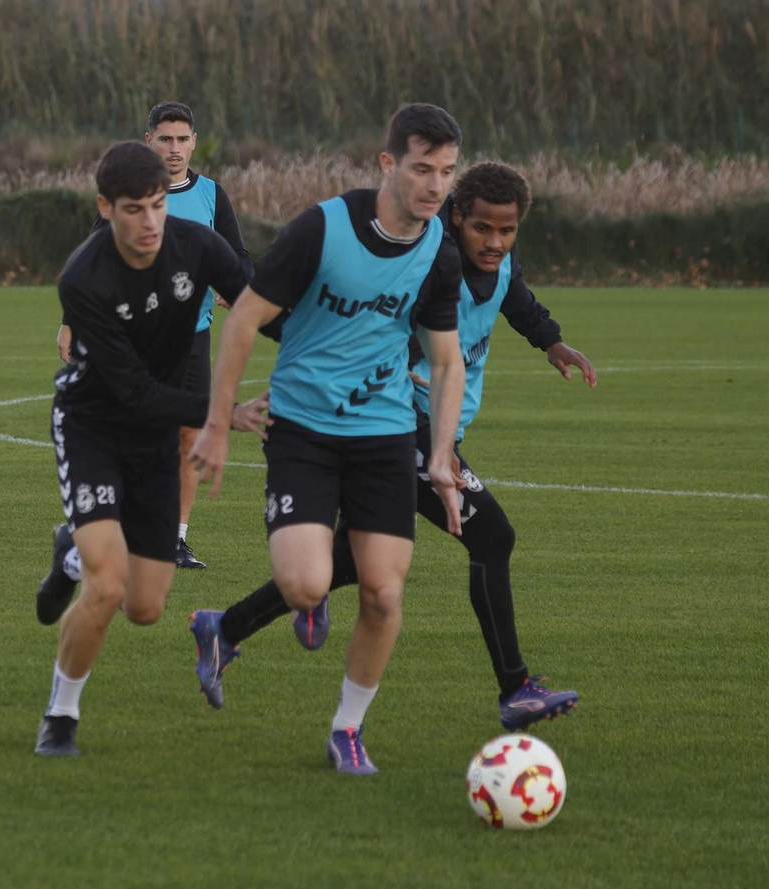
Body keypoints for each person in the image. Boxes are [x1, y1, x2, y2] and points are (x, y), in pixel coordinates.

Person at [195, 162, 596, 735]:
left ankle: (225, 627)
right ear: (457, 217)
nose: (495, 242)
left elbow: (517, 300)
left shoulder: (499, 264)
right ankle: (515, 688)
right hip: (392, 430)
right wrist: (433, 447)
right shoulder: (426, 267)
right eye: (482, 229)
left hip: (436, 433)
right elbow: (364, 343)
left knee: (352, 563)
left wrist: (552, 343)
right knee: (490, 534)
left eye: (507, 232)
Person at [185, 103, 466, 775]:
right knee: (308, 583)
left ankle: (348, 728)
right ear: (387, 163)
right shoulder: (322, 228)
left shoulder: (438, 253)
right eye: (422, 168)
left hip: (383, 432)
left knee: (383, 592)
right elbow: (244, 320)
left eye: (448, 173)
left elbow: (448, 359)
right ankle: (223, 624)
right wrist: (219, 424)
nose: (434, 186)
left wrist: (440, 457)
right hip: (303, 426)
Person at [31, 141, 270, 757]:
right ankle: (61, 713)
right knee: (108, 591)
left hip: (154, 439)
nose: (150, 223)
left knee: (144, 607)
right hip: (92, 427)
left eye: (158, 206)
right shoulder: (83, 278)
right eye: (134, 209)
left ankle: (72, 554)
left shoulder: (196, 245)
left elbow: (262, 307)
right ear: (104, 208)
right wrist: (226, 413)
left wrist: (343, 348)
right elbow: (133, 391)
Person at [57, 102, 254, 569]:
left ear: (194, 143)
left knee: (190, 436)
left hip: (192, 336)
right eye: (165, 138)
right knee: (133, 425)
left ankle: (175, 536)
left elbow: (239, 261)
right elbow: (92, 259)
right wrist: (70, 321)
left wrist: (236, 291)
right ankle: (96, 529)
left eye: (183, 139)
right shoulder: (127, 194)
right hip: (131, 338)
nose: (175, 148)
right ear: (149, 141)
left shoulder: (211, 195)